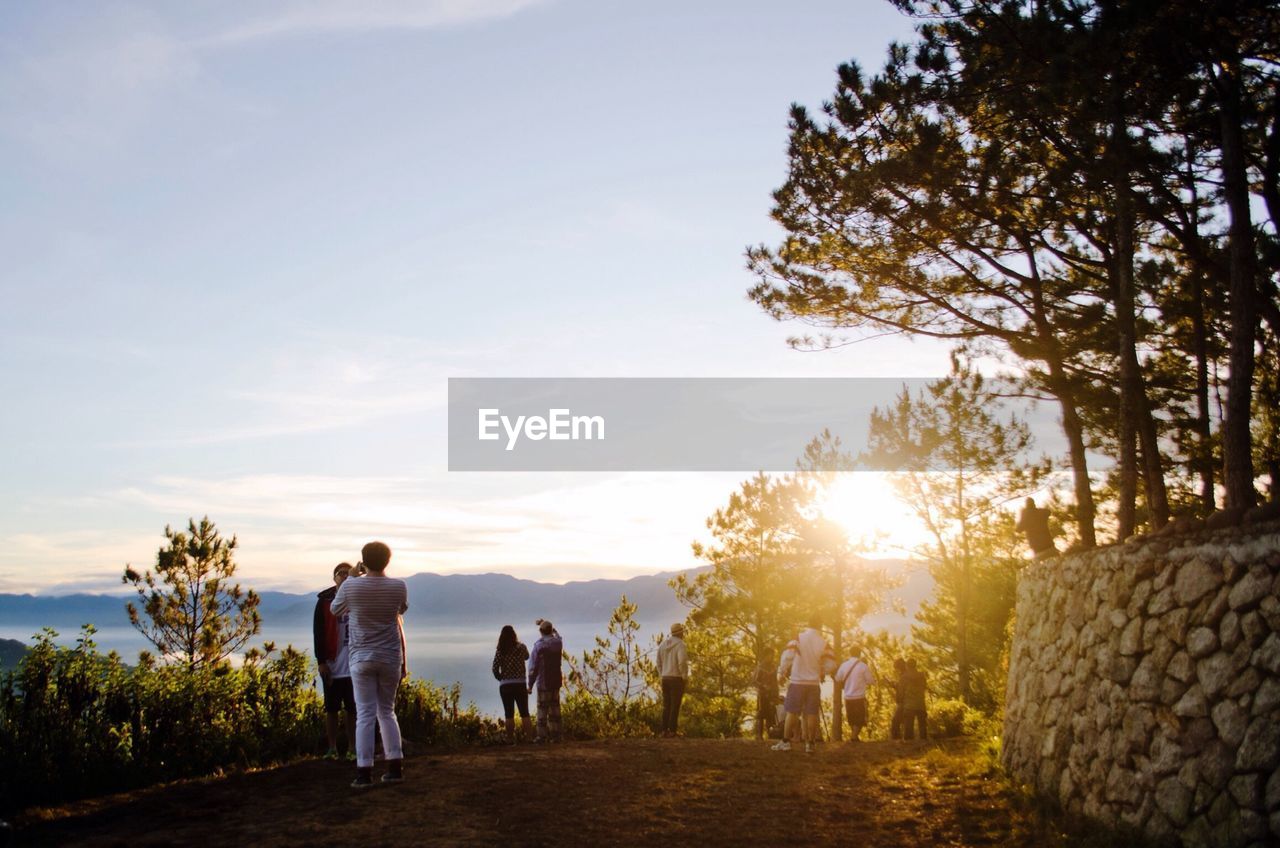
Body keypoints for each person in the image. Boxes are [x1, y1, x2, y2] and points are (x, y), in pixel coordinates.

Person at [331, 541, 408, 789]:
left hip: (361, 657)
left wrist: (350, 577)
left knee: (364, 713)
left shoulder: (352, 586)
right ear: (388, 560)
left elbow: (334, 609)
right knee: (387, 711)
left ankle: (364, 773)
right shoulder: (399, 586)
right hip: (390, 656)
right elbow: (401, 610)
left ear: (363, 560)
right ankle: (395, 766)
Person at [313, 562, 357, 760]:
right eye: (340, 573)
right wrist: (321, 661)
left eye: (348, 573)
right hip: (332, 664)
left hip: (355, 664)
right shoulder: (324, 602)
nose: (344, 576)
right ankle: (331, 748)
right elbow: (318, 632)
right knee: (331, 709)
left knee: (353, 709)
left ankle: (353, 748)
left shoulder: (358, 598)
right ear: (334, 578)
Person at [772, 617, 827, 753]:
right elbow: (830, 663)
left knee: (792, 712)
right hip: (813, 683)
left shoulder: (799, 638)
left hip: (797, 681)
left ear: (808, 624)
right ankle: (810, 745)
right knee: (811, 714)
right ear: (821, 626)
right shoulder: (823, 642)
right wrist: (822, 672)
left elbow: (787, 656)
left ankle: (786, 742)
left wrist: (782, 672)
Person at [492, 625, 532, 744]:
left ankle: (510, 739)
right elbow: (527, 657)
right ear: (514, 635)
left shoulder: (501, 650)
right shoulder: (521, 647)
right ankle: (529, 738)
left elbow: (494, 668)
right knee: (525, 712)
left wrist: (501, 679)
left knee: (509, 714)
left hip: (506, 685)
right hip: (520, 684)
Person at [527, 618, 564, 743]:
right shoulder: (558, 643)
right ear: (551, 630)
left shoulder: (539, 646)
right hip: (556, 681)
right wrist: (550, 627)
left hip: (543, 683)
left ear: (540, 631)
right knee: (555, 710)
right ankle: (556, 736)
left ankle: (541, 737)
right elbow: (558, 636)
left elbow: (533, 668)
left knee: (542, 710)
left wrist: (530, 684)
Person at [833, 649, 874, 742]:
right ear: (859, 654)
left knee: (851, 718)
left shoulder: (844, 665)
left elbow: (837, 678)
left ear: (850, 653)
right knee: (860, 718)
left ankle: (854, 737)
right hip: (859, 696)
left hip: (848, 696)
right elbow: (870, 680)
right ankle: (854, 737)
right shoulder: (863, 666)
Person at [657, 622, 689, 737]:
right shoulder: (681, 644)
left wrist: (662, 675)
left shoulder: (662, 644)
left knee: (666, 705)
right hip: (676, 678)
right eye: (683, 632)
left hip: (665, 678)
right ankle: (672, 731)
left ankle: (664, 731)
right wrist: (684, 677)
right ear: (680, 633)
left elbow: (658, 663)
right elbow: (682, 662)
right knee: (675, 705)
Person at [901, 658, 928, 740]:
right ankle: (924, 742)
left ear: (907, 666)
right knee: (922, 725)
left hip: (909, 705)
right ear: (915, 665)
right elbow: (924, 687)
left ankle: (909, 745)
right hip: (920, 703)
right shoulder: (922, 676)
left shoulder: (904, 677)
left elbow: (901, 691)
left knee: (908, 726)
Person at [753, 654, 779, 739]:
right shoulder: (760, 667)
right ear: (766, 655)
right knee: (761, 714)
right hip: (762, 694)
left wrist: (776, 692)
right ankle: (759, 735)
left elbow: (775, 681)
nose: (771, 657)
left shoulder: (773, 667)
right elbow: (754, 681)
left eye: (772, 656)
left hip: (772, 694)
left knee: (771, 714)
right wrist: (763, 686)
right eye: (770, 655)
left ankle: (770, 735)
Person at [890, 658, 907, 740]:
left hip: (903, 701)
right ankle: (901, 737)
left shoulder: (904, 675)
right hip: (904, 701)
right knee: (902, 721)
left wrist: (894, 685)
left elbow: (902, 689)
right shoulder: (904, 675)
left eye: (897, 668)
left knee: (895, 721)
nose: (896, 670)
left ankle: (896, 739)